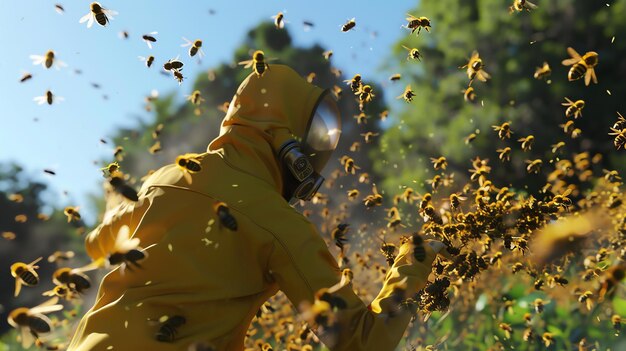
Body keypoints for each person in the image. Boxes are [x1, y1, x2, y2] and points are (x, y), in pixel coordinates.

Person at [67, 64, 447, 351]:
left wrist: (112, 199)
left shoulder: (163, 179)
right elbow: (360, 340)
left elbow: (97, 243)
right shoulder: (276, 222)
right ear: (287, 140)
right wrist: (414, 260)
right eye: (317, 136)